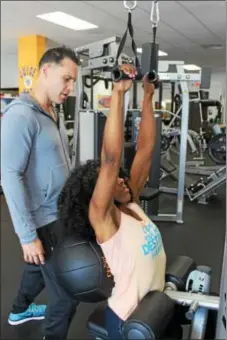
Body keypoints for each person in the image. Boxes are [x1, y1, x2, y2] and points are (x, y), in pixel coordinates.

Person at [58, 64, 166, 339]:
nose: (119, 178)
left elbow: (146, 147)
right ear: (99, 193)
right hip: (128, 323)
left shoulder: (130, 201)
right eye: (110, 180)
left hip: (153, 311)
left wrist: (147, 96)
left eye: (119, 177)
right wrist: (118, 93)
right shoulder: (104, 221)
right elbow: (110, 159)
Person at [1, 46, 79, 340]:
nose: (70, 88)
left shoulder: (50, 111)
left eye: (73, 81)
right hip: (44, 219)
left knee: (37, 267)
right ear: (45, 71)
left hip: (59, 211)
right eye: (66, 79)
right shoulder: (21, 116)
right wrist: (27, 236)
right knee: (68, 293)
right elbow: (10, 175)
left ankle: (20, 309)